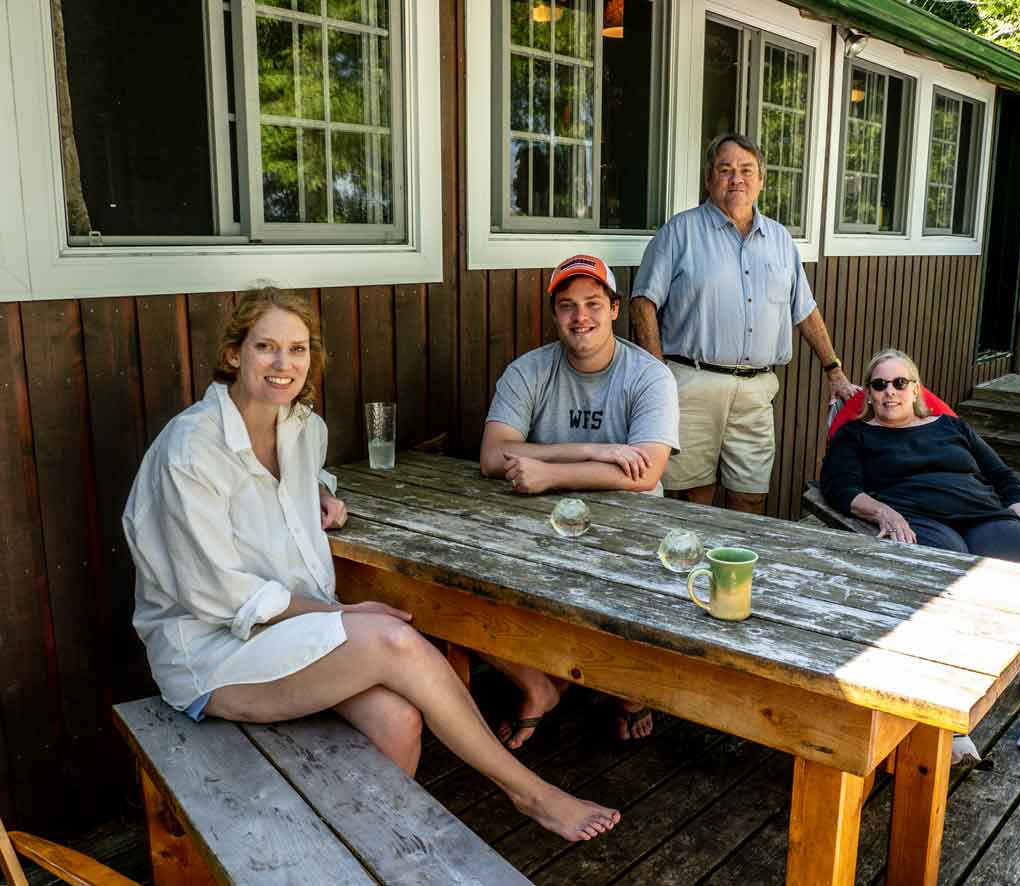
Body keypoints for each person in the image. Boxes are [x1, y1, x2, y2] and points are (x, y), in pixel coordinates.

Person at [123, 287, 620, 842]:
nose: (284, 364)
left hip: (288, 635)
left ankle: (364, 853)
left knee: (399, 720)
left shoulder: (301, 428)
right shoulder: (191, 449)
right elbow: (217, 594)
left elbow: (288, 484)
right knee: (393, 640)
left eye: (298, 348)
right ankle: (532, 794)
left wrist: (319, 493)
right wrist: (344, 614)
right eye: (266, 347)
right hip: (211, 652)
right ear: (235, 354)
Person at [819, 348, 1020, 759]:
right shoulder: (857, 435)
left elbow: (1001, 476)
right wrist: (883, 511)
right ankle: (947, 712)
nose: (890, 392)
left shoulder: (951, 427)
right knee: (946, 584)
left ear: (916, 389)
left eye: (900, 383)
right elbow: (839, 486)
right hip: (919, 519)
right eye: (879, 385)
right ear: (869, 394)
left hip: (982, 513)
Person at [480, 254, 679, 747]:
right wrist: (594, 449)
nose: (579, 316)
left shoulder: (649, 376)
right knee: (469, 583)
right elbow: (492, 454)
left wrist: (549, 474)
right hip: (541, 521)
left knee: (633, 600)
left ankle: (625, 686)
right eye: (567, 306)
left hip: (633, 526)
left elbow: (646, 472)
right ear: (554, 316)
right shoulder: (529, 370)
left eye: (593, 303)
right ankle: (541, 682)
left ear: (615, 309)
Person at [630, 132, 858, 515]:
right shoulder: (679, 231)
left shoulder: (781, 240)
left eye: (746, 170)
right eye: (726, 170)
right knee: (690, 496)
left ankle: (734, 574)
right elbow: (642, 302)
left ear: (761, 180)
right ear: (709, 179)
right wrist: (658, 374)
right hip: (691, 385)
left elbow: (804, 310)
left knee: (750, 495)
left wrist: (834, 370)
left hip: (756, 391)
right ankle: (686, 571)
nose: (736, 179)